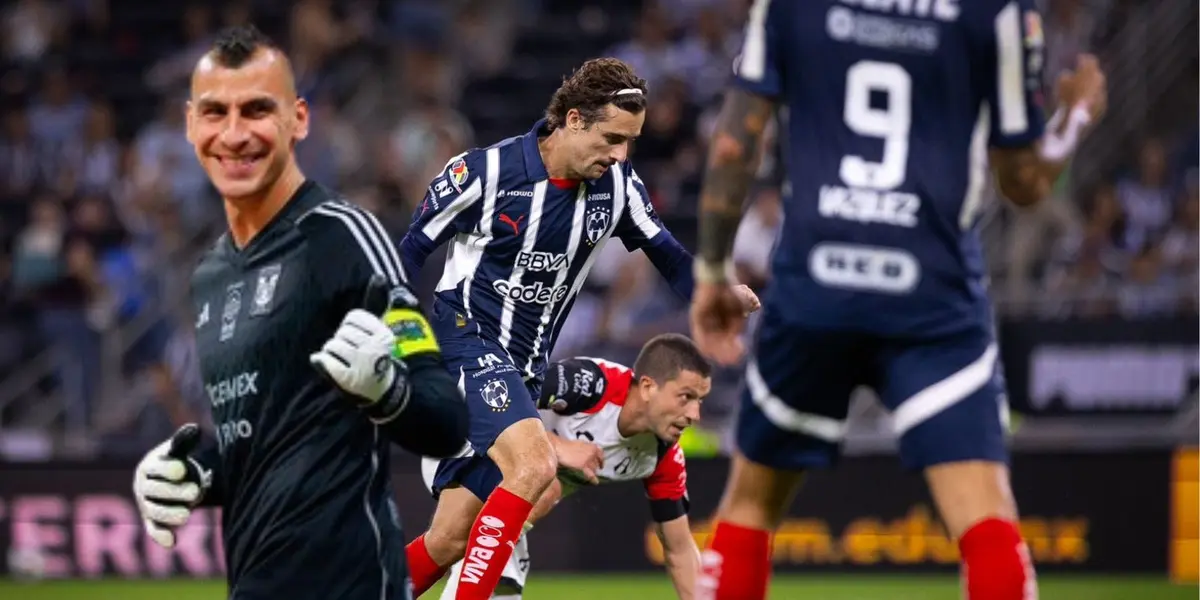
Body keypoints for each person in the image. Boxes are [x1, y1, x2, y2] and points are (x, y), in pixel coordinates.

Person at [688, 2, 1107, 599]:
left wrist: (711, 271)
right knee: (987, 524)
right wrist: (1077, 115)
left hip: (815, 285)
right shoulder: (997, 11)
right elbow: (1024, 181)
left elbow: (735, 145)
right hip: (931, 295)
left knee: (749, 508)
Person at [397, 57, 759, 600]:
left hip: (524, 369)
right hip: (466, 342)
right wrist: (406, 344)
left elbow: (669, 257)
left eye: (630, 142)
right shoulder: (485, 173)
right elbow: (407, 254)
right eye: (612, 138)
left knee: (450, 538)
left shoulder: (618, 187)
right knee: (535, 465)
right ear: (572, 120)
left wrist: (715, 293)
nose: (620, 155)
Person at [129, 25, 469, 600]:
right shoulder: (213, 275)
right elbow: (260, 448)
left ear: (298, 120)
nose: (234, 133)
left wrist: (389, 392)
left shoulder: (343, 238)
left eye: (257, 110)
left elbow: (446, 420)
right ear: (191, 126)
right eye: (215, 112)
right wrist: (194, 473)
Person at [428, 333, 710, 600]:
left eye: (700, 400)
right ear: (648, 387)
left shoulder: (663, 456)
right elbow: (488, 401)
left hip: (511, 502)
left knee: (502, 586)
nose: (695, 414)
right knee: (535, 489)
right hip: (462, 444)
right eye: (685, 397)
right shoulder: (592, 383)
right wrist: (556, 447)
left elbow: (679, 550)